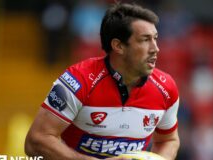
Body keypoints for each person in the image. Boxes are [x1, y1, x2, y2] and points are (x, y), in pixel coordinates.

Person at [25, 3, 180, 160]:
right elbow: (36, 141)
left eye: (155, 39)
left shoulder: (166, 87)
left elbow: (169, 140)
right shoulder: (78, 80)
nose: (155, 48)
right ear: (118, 46)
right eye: (145, 40)